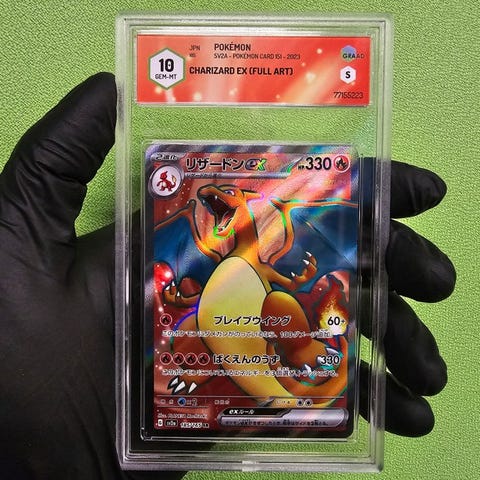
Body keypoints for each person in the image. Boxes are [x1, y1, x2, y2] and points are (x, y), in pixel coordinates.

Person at [0, 73, 456, 479]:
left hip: (248, 334)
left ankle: (299, 361)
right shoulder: (240, 263)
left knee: (281, 309)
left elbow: (267, 282)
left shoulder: (257, 269)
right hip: (218, 338)